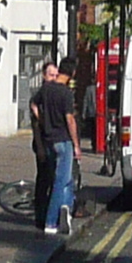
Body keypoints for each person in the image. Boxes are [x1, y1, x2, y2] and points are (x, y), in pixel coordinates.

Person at [31, 57, 80, 237]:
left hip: (50, 141)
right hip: (64, 141)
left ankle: (64, 216)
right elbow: (70, 119)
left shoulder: (46, 89)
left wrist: (43, 121)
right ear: (72, 73)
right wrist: (76, 145)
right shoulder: (66, 93)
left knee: (66, 180)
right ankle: (51, 222)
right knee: (60, 182)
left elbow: (33, 104)